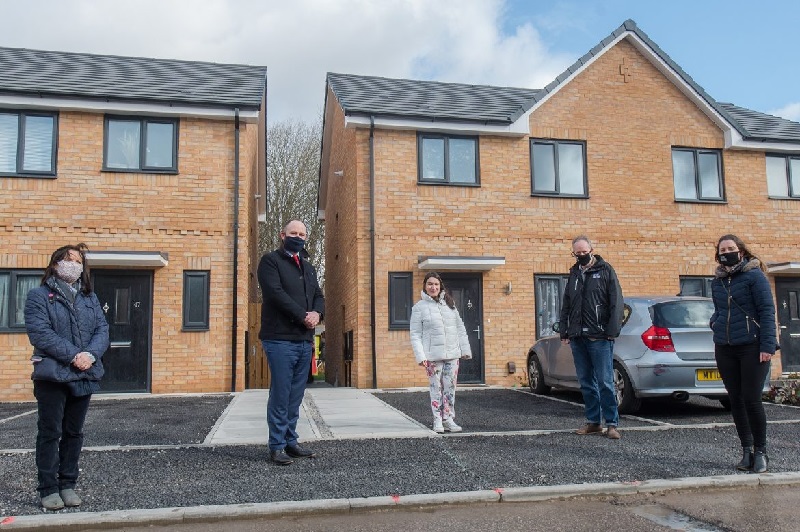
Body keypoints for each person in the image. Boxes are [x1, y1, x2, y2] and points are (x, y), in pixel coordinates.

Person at [24, 244, 109, 510]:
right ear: (55, 264)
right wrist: (75, 356)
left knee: (74, 433)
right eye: (67, 259)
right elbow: (40, 333)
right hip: (53, 376)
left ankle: (67, 484)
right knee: (50, 432)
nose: (73, 264)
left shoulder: (89, 297)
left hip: (83, 375)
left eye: (77, 260)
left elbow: (102, 330)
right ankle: (48, 488)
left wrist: (91, 355)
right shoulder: (39, 296)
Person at [258, 220, 324, 465]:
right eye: (293, 233)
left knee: (295, 395)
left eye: (302, 234)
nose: (298, 237)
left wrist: (317, 313)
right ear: (282, 235)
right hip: (279, 339)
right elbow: (275, 294)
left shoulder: (309, 267)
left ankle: (290, 441)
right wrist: (303, 316)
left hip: (304, 340)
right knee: (281, 392)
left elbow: (318, 294)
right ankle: (276, 446)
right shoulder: (270, 261)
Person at [710, 234, 777, 473]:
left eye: (731, 248)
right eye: (722, 249)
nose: (726, 252)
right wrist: (715, 323)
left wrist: (768, 346)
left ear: (740, 250)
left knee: (751, 399)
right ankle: (746, 450)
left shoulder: (754, 276)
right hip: (725, 347)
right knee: (735, 400)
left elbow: (767, 311)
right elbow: (719, 310)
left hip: (752, 346)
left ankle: (761, 452)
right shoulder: (717, 281)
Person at [559, 236, 624, 440]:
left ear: (591, 249)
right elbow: (567, 304)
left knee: (605, 382)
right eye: (576, 253)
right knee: (586, 382)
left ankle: (612, 424)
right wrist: (565, 330)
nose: (581, 256)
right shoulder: (574, 274)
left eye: (583, 252)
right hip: (578, 336)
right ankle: (593, 422)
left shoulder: (606, 271)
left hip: (600, 337)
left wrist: (611, 331)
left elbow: (617, 302)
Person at [409, 272, 472, 433]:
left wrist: (465, 350)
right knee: (436, 388)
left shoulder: (450, 305)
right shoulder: (419, 308)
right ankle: (437, 420)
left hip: (452, 355)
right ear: (425, 286)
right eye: (430, 284)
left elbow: (460, 328)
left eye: (436, 284)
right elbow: (415, 334)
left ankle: (448, 419)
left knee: (450, 388)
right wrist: (421, 356)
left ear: (440, 286)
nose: (433, 287)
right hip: (432, 357)